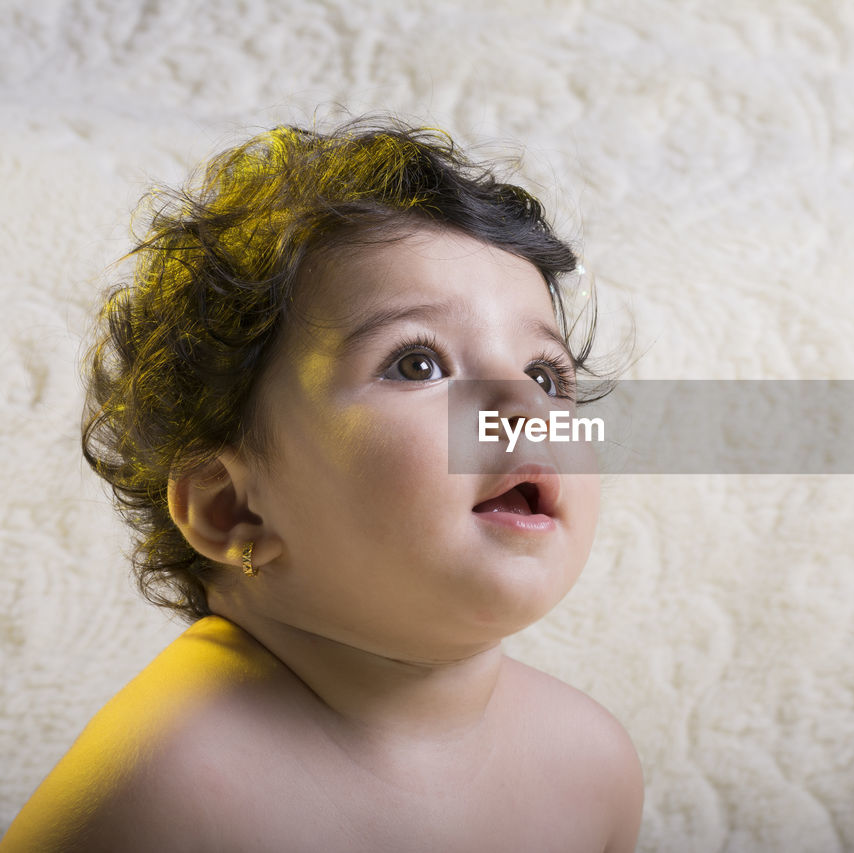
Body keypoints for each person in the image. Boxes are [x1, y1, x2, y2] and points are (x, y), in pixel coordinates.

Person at [1, 115, 643, 852]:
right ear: (233, 506)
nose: (521, 410)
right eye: (418, 363)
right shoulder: (170, 797)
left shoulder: (589, 766)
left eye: (545, 374)